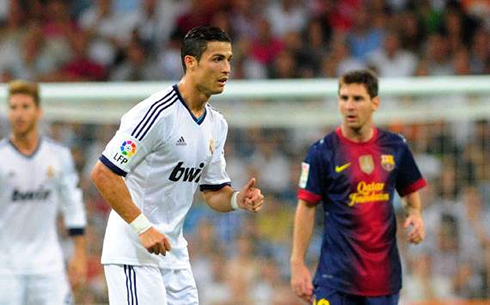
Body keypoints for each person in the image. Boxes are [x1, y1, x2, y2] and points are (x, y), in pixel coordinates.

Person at [91, 25, 264, 304]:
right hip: (134, 253)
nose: (227, 69)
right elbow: (104, 173)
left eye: (229, 59)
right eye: (217, 59)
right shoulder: (155, 113)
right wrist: (143, 227)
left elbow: (213, 191)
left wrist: (236, 200)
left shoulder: (216, 124)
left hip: (174, 255)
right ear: (190, 62)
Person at [290, 69, 427, 305]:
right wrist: (297, 263)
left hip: (383, 280)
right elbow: (306, 207)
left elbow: (409, 193)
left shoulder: (395, 147)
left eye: (357, 99)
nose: (349, 106)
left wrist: (415, 214)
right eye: (344, 98)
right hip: (334, 279)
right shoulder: (322, 152)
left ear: (375, 103)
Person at [0, 80, 87, 304]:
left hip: (48, 266)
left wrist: (79, 253)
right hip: (6, 267)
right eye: (14, 107)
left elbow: (73, 205)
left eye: (25, 107)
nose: (19, 114)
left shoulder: (58, 156)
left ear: (38, 112)